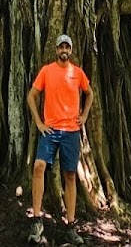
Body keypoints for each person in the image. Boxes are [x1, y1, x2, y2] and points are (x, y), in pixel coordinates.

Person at [28, 33, 93, 245]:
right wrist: (39, 122)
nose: (64, 50)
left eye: (67, 47)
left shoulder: (78, 73)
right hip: (50, 130)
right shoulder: (47, 71)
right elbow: (32, 96)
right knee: (38, 166)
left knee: (71, 175)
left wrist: (83, 116)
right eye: (60, 47)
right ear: (56, 50)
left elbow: (89, 93)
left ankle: (71, 225)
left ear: (71, 50)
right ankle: (37, 220)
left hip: (71, 132)